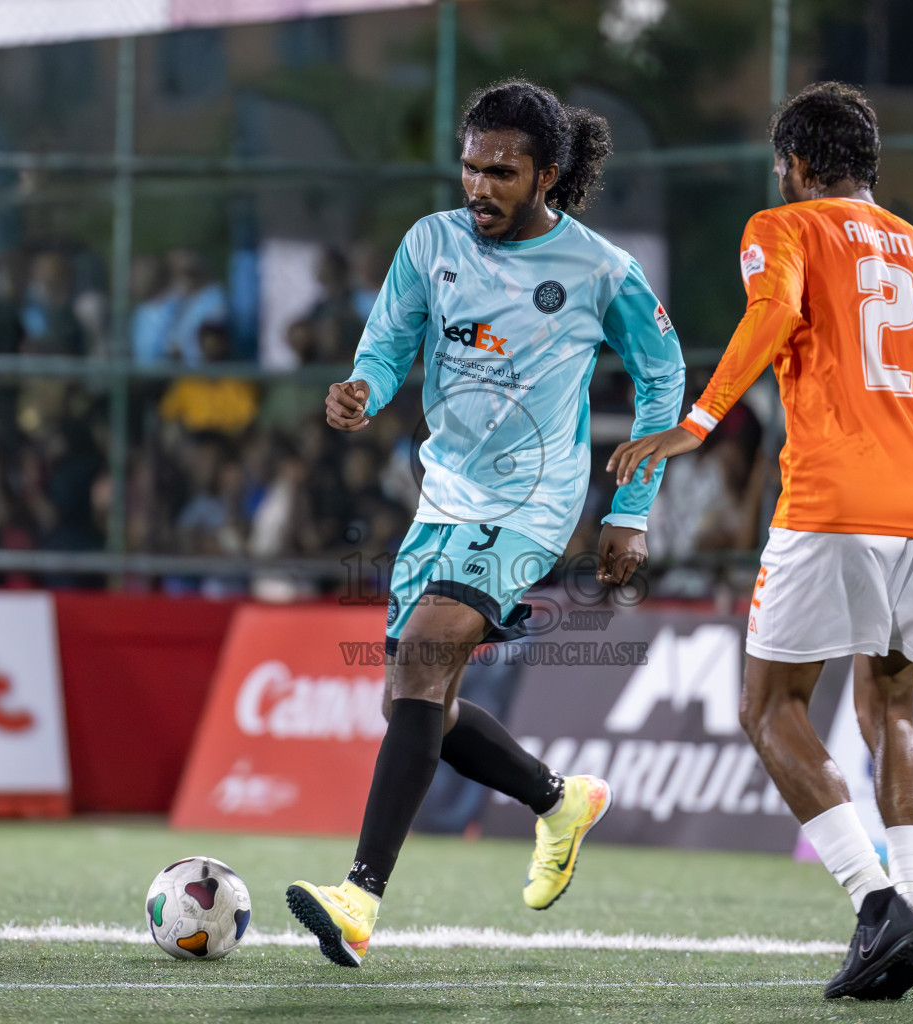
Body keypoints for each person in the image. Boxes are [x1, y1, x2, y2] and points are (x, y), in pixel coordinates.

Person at [609, 82, 913, 1001]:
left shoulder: (783, 228)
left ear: (797, 164)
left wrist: (698, 420)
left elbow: (773, 313)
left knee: (769, 708)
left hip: (832, 500)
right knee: (890, 711)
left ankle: (877, 899)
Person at [286, 79, 686, 968]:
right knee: (415, 701)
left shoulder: (601, 270)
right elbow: (389, 343)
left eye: (501, 172)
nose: (479, 187)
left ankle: (358, 900)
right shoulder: (430, 242)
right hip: (444, 498)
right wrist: (365, 389)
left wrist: (630, 511)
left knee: (425, 657)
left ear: (546, 173)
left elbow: (664, 378)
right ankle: (558, 800)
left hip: (534, 505)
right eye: (469, 168)